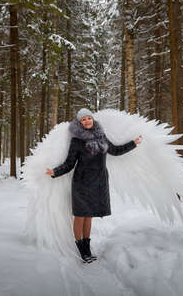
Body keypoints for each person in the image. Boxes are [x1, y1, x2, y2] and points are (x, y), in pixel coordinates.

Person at [45, 108, 142, 263]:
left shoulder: (101, 136)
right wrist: (55, 172)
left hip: (98, 182)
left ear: (93, 119)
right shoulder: (77, 141)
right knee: (80, 216)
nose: (87, 121)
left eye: (89, 118)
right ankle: (82, 250)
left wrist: (133, 144)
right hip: (82, 183)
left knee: (89, 216)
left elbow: (115, 151)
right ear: (79, 122)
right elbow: (70, 163)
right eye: (83, 119)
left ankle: (87, 249)